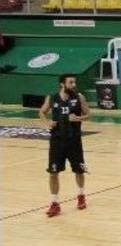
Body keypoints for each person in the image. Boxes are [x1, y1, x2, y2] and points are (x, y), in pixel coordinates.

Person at [40, 74, 90, 218]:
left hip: (74, 140)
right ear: (62, 84)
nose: (74, 85)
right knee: (53, 172)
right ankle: (55, 203)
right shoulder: (52, 97)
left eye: (74, 82)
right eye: (71, 82)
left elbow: (88, 114)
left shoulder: (79, 97)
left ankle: (81, 195)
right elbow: (41, 112)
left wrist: (78, 118)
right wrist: (47, 122)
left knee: (79, 170)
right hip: (57, 141)